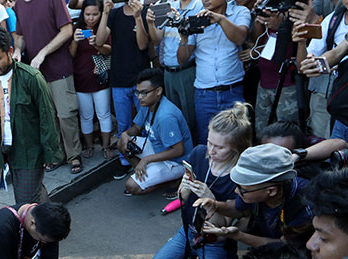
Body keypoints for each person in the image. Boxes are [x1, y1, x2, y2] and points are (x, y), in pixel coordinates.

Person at [145, 102, 251, 259]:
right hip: (188, 231)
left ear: (236, 147)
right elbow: (182, 199)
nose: (211, 151)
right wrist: (184, 189)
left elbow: (222, 225)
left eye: (219, 147)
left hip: (214, 242)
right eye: (210, 142)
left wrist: (212, 201)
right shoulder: (198, 153)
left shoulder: (239, 176)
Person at [0, 27, 64, 204]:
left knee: (24, 201)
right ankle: (54, 222)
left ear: (10, 51)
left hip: (30, 150)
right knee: (32, 192)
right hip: (7, 149)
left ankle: (39, 228)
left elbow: (47, 117)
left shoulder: (31, 77)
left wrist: (50, 154)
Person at [195, 143, 313, 248]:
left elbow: (284, 246)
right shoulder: (257, 190)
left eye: (242, 189)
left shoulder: (303, 207)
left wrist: (238, 235)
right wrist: (215, 205)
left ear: (271, 191)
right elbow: (237, 208)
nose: (236, 191)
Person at [13, 0, 84, 174]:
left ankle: (74, 155)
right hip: (36, 72)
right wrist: (16, 50)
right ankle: (56, 155)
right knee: (47, 117)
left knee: (66, 114)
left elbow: (67, 30)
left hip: (59, 67)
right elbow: (21, 36)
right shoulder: (19, 5)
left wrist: (43, 52)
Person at [176, 0, 250, 145]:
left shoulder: (240, 12)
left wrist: (220, 19)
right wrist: (184, 38)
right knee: (207, 141)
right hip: (204, 94)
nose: (205, 0)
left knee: (238, 140)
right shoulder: (196, 17)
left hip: (233, 90)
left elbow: (240, 37)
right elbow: (182, 59)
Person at [116, 68, 194, 196]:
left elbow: (179, 150)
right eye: (138, 92)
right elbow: (136, 128)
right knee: (122, 143)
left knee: (132, 187)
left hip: (176, 162)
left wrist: (146, 160)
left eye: (144, 93)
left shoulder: (166, 116)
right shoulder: (148, 104)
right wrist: (125, 135)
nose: (140, 97)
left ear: (158, 91)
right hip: (158, 148)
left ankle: (173, 181)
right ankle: (146, 174)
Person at [95, 0, 150, 179]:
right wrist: (104, 12)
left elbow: (143, 45)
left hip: (140, 80)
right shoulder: (114, 14)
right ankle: (125, 161)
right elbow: (100, 40)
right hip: (119, 79)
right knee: (123, 125)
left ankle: (148, 160)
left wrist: (137, 17)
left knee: (145, 125)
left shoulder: (143, 11)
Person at [293, 0, 348, 138]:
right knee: (321, 139)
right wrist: (301, 43)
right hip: (325, 95)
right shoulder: (333, 19)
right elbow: (304, 65)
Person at [145, 0, 202, 144]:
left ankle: (194, 156)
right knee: (173, 117)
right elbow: (157, 39)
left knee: (190, 118)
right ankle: (179, 154)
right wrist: (150, 23)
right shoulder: (169, 5)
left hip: (187, 69)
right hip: (168, 72)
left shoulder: (199, 5)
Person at [69, 0, 113, 160]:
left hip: (100, 78)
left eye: (95, 14)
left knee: (104, 114)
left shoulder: (103, 29)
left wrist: (98, 44)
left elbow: (109, 51)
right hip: (81, 79)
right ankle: (89, 146)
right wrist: (75, 40)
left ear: (101, 13)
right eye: (88, 14)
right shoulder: (76, 29)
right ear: (82, 14)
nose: (91, 18)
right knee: (86, 116)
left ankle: (106, 146)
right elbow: (70, 55)